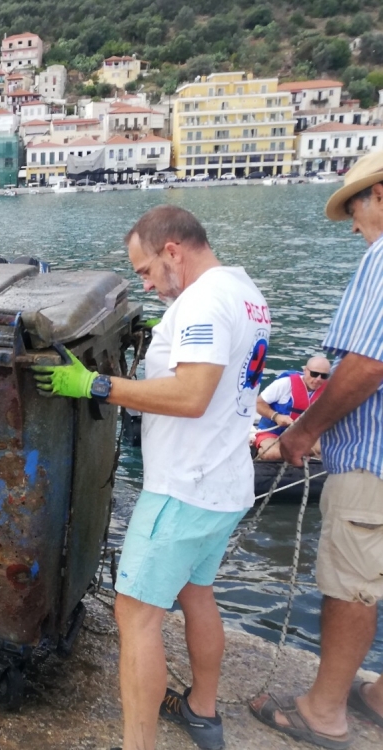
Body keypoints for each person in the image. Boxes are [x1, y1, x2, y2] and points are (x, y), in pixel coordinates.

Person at [34, 205, 270, 750]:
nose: (145, 282)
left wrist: (96, 386)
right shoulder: (244, 291)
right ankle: (202, 712)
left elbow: (191, 395)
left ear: (173, 251)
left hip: (184, 487)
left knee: (136, 615)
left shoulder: (203, 302)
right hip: (227, 483)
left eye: (144, 271)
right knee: (197, 593)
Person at [249, 150, 383, 748]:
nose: (353, 226)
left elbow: (367, 365)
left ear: (378, 196)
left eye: (352, 208)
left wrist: (303, 431)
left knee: (351, 579)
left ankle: (323, 712)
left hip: (372, 460)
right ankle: (378, 694)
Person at [253, 355, 330, 461]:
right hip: (273, 432)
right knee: (272, 453)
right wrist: (276, 416)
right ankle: (261, 451)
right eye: (314, 374)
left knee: (329, 446)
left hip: (302, 435)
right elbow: (258, 403)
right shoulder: (284, 384)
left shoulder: (328, 392)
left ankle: (296, 452)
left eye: (324, 376)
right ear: (305, 370)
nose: (318, 379)